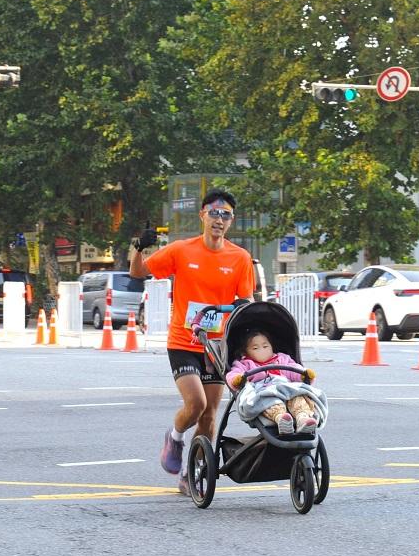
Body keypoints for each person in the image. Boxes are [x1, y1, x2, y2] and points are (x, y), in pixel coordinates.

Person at [129, 189, 255, 495]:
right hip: (184, 340)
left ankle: (192, 472)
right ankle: (174, 437)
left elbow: (246, 301)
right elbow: (137, 273)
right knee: (196, 404)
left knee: (210, 415)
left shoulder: (239, 258)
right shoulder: (181, 250)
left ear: (231, 221)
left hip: (217, 345)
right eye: (214, 213)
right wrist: (138, 247)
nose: (219, 219)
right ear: (202, 215)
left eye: (225, 215)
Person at [225, 329, 321, 434]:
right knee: (269, 401)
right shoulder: (245, 364)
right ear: (245, 352)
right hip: (264, 390)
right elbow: (234, 374)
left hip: (287, 388)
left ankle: (303, 418)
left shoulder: (282, 358)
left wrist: (303, 374)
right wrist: (237, 380)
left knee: (298, 396)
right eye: (255, 348)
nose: (262, 350)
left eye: (265, 346)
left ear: (272, 346)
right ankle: (282, 419)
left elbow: (293, 368)